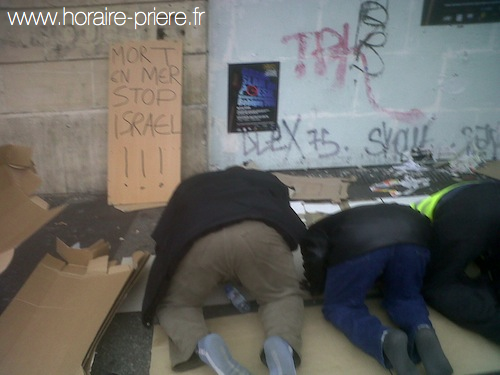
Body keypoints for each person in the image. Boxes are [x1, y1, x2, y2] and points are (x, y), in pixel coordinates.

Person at [141, 166, 307, 374]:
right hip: (258, 234)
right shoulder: (262, 179)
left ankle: (203, 344)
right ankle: (281, 344)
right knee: (281, 296)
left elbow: (166, 235)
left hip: (200, 240)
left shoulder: (189, 185)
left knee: (176, 304)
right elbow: (285, 214)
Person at [300, 203, 453, 375]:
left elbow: (316, 256)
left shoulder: (314, 231)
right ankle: (422, 330)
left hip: (359, 244)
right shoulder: (397, 208)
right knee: (405, 297)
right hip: (413, 237)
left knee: (341, 306)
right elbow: (428, 231)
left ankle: (384, 338)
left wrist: (315, 286)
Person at [412, 180, 500, 344]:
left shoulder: (416, 220)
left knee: (437, 286)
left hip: (467, 215)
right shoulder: (448, 193)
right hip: (489, 192)